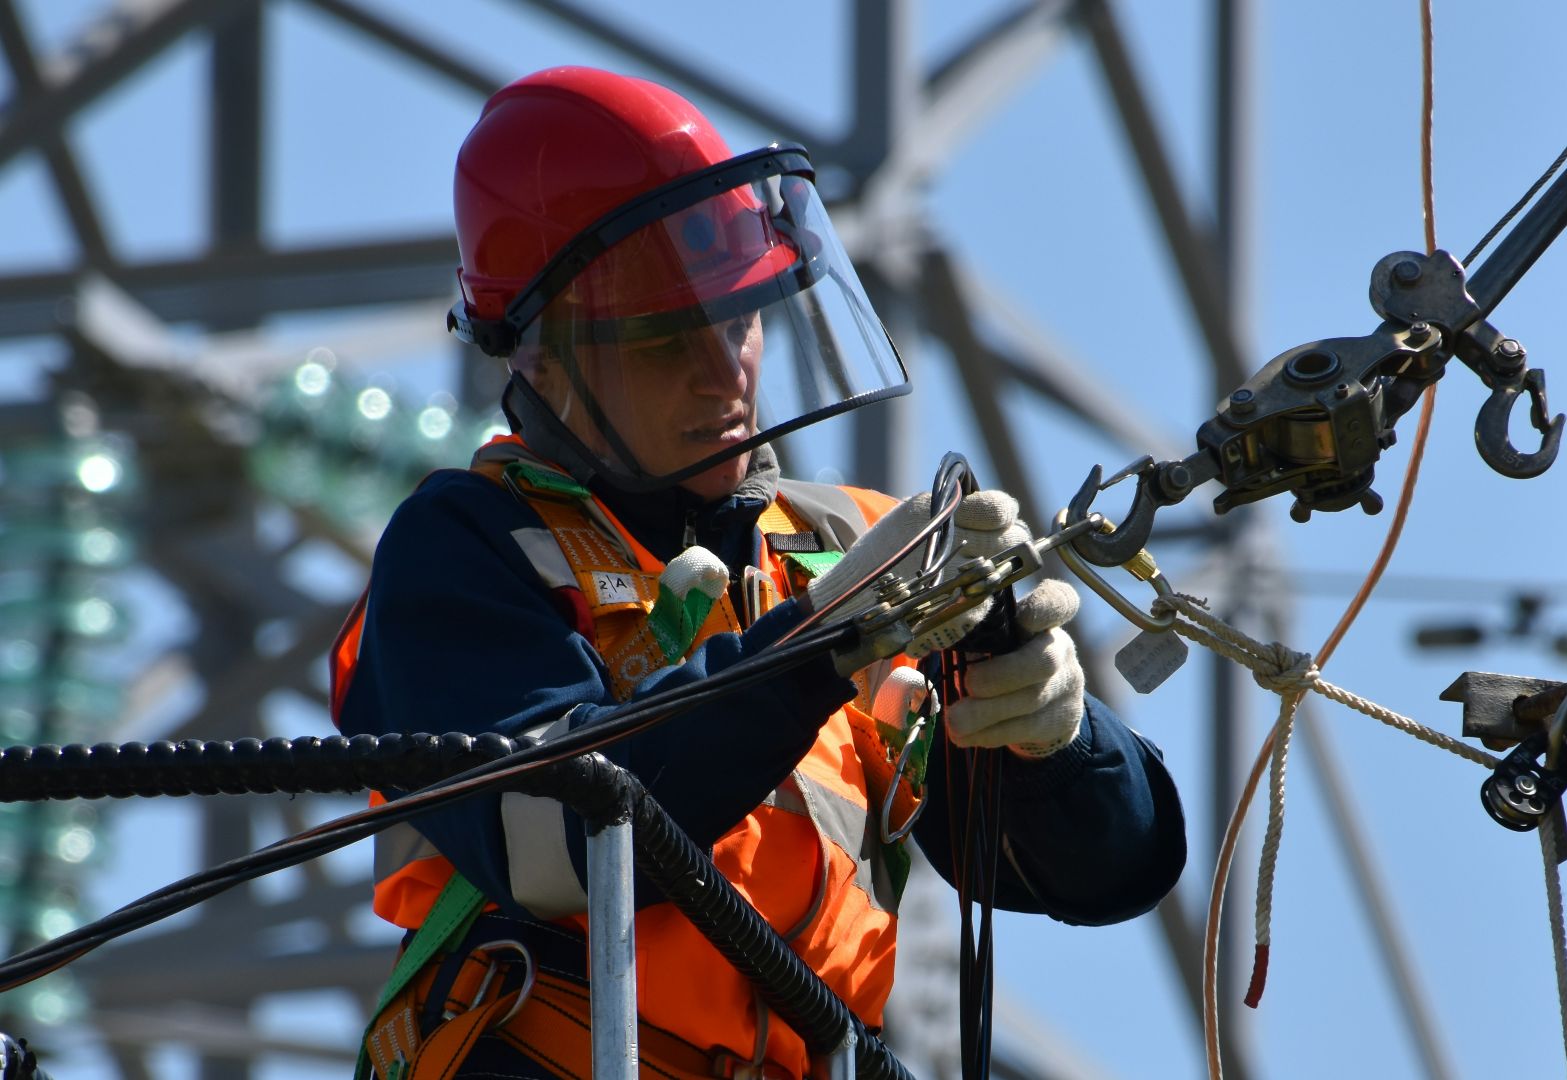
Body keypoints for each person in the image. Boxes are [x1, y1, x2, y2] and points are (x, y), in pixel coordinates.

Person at [331, 66, 1185, 1080]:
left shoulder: (840, 545)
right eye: (662, 340)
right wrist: (823, 643)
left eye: (739, 320)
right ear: (538, 360)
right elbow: (551, 840)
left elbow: (1105, 873)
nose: (723, 372)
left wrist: (1056, 735)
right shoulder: (469, 548)